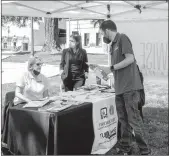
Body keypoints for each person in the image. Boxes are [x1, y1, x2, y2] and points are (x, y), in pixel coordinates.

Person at [99, 20, 150, 155]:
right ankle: (125, 147)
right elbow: (117, 67)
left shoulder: (122, 38)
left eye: (101, 33)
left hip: (130, 88)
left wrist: (111, 68)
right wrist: (105, 73)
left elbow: (130, 59)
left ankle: (145, 150)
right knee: (123, 120)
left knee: (134, 120)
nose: (101, 36)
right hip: (120, 88)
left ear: (107, 30)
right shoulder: (112, 46)